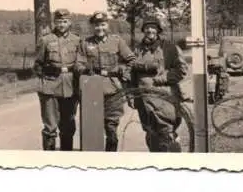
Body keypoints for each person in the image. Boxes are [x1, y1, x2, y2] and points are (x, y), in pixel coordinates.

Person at [75, 11, 135, 151]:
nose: (100, 28)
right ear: (92, 27)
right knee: (93, 129)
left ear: (107, 25)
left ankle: (110, 159)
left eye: (102, 24)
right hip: (92, 90)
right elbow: (78, 64)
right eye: (96, 25)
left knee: (111, 127)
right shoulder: (85, 43)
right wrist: (85, 70)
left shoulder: (117, 41)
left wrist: (123, 71)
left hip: (113, 88)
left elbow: (131, 59)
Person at [131, 15, 188, 152]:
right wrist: (132, 96)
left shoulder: (169, 47)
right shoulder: (138, 49)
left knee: (166, 133)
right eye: (147, 27)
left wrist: (161, 79)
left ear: (158, 30)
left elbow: (182, 70)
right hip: (143, 100)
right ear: (143, 30)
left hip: (164, 99)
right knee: (151, 134)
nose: (150, 30)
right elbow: (131, 72)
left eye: (153, 27)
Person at [33, 9, 79, 151]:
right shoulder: (46, 40)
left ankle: (66, 159)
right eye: (59, 21)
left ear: (69, 22)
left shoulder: (77, 40)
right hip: (50, 87)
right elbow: (37, 64)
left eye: (65, 21)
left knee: (68, 125)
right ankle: (50, 161)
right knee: (50, 126)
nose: (61, 24)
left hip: (70, 87)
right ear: (55, 22)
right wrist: (46, 74)